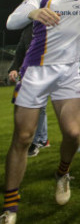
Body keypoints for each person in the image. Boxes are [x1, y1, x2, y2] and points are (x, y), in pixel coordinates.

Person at [1, 0, 80, 224]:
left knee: (73, 135)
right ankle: (10, 211)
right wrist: (32, 12)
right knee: (22, 138)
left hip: (69, 72)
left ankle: (62, 174)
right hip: (36, 71)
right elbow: (11, 21)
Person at [7, 25, 49, 157]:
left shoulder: (51, 25)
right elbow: (20, 50)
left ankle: (37, 141)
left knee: (40, 105)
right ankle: (42, 139)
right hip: (30, 71)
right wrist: (13, 68)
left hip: (48, 70)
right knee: (36, 106)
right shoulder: (27, 30)